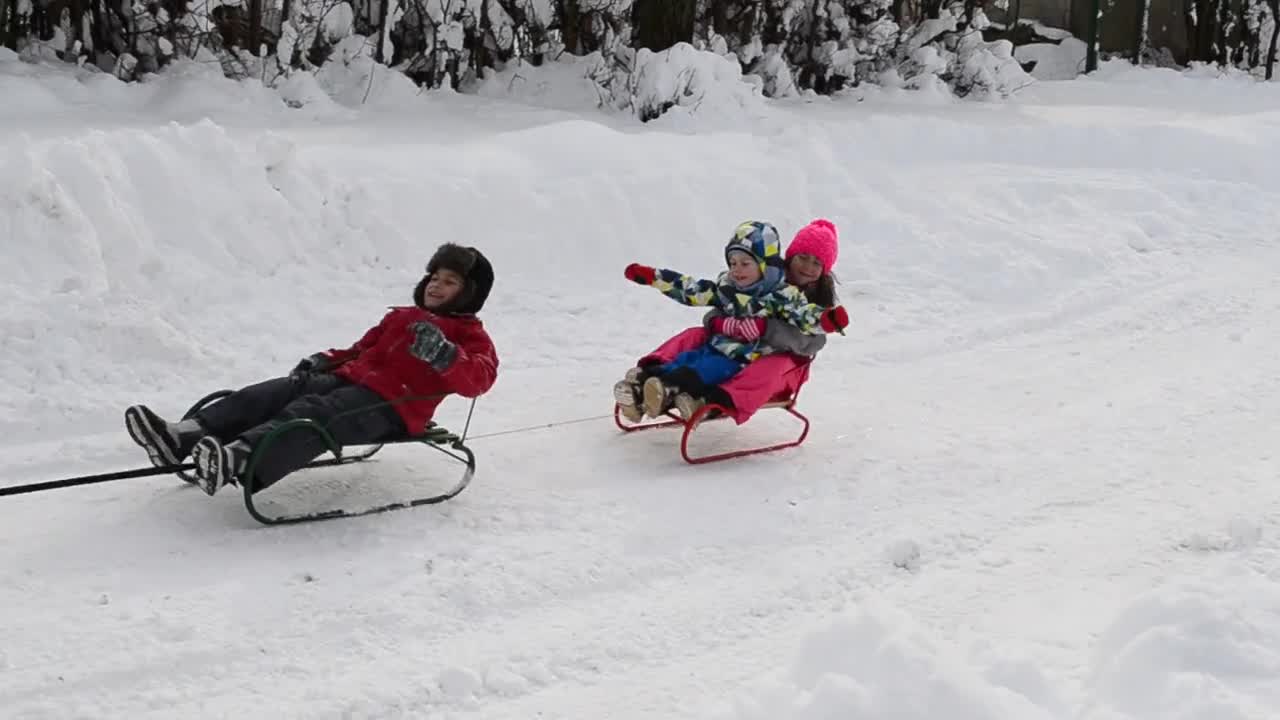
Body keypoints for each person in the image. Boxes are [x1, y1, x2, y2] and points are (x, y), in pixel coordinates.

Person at [124, 243, 499, 497]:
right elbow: (359, 350)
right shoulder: (402, 317)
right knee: (277, 392)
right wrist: (324, 359)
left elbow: (480, 379)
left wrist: (447, 356)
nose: (437, 285)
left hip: (391, 407)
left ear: (468, 294)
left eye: (450, 282)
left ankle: (239, 456)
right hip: (349, 380)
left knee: (314, 415)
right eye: (435, 277)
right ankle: (180, 438)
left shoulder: (468, 335)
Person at [615, 218, 843, 424]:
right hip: (732, 346)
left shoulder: (796, 298)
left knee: (767, 364)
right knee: (695, 337)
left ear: (826, 269)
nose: (807, 267)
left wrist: (768, 328)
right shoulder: (751, 277)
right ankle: (649, 377)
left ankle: (715, 399)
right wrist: (718, 322)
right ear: (787, 257)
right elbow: (699, 292)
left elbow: (812, 335)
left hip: (779, 366)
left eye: (817, 263)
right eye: (803, 258)